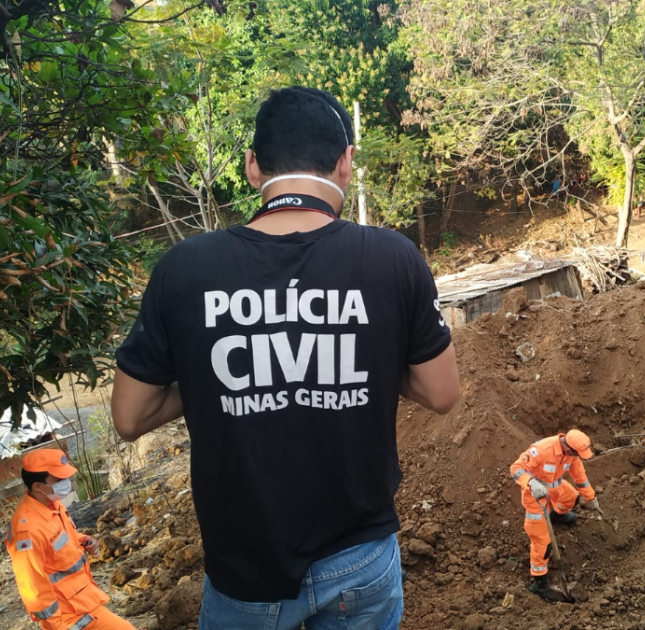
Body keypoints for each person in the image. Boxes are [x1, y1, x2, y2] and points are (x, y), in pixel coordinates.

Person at [111, 86, 460, 630]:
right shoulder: (393, 257)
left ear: (253, 166)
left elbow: (129, 416)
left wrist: (226, 370)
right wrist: (349, 357)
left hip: (243, 572)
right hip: (359, 560)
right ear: (345, 164)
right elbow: (441, 393)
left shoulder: (184, 268)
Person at [4, 449, 135, 630]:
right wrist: (56, 627)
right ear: (38, 487)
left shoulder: (51, 504)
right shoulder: (26, 531)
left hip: (83, 603)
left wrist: (83, 540)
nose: (65, 483)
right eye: (58, 480)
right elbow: (33, 587)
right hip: (67, 618)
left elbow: (60, 538)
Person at [509, 430, 600, 602]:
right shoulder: (542, 449)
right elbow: (515, 468)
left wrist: (591, 497)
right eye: (577, 454)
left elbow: (580, 477)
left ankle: (556, 515)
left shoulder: (572, 455)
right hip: (535, 495)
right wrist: (531, 483)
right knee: (543, 543)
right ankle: (539, 584)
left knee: (571, 497)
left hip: (555, 489)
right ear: (568, 447)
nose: (577, 457)